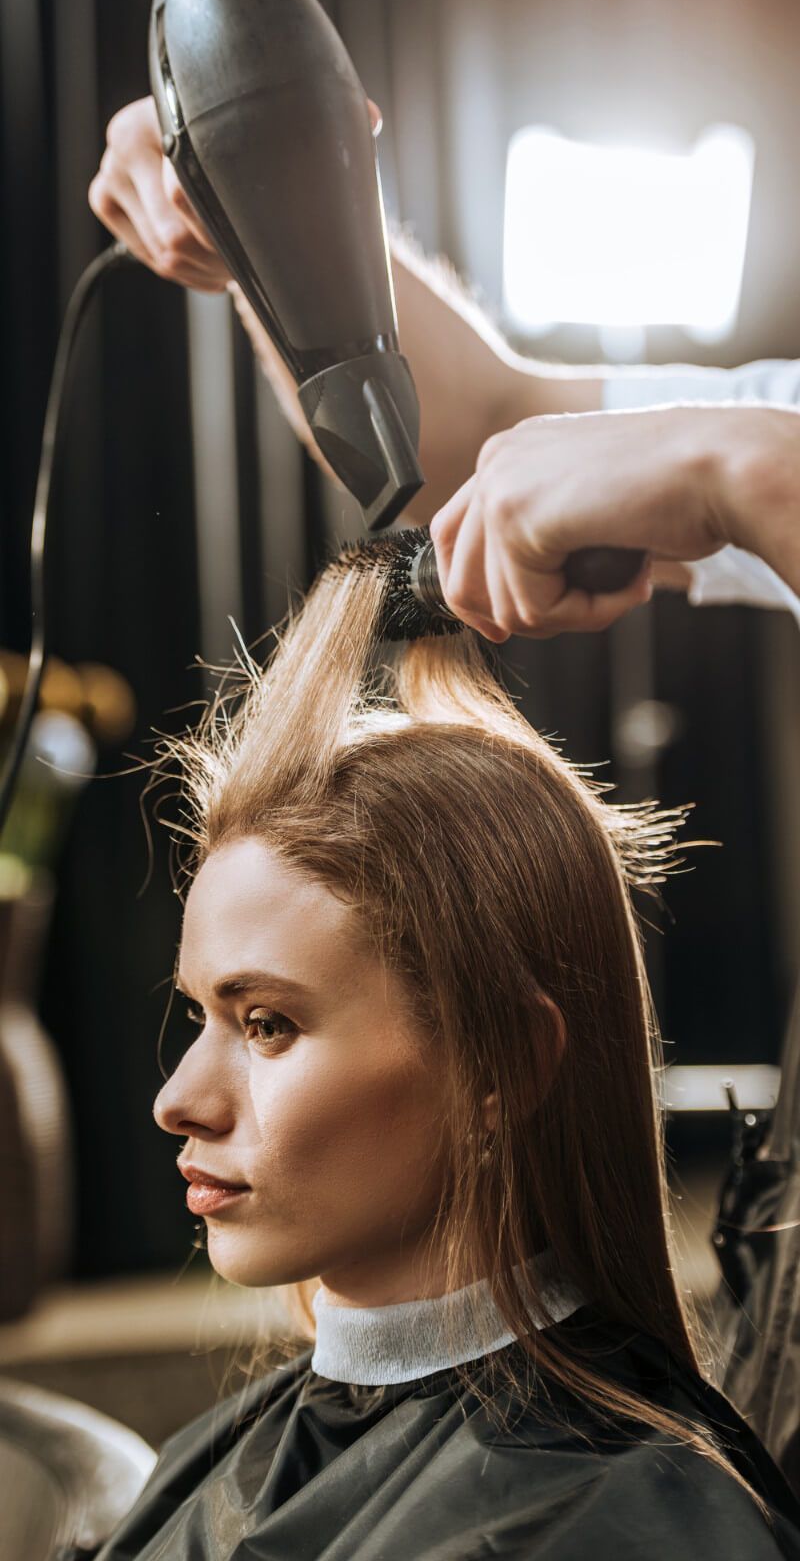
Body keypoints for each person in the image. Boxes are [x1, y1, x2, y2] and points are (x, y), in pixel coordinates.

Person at [71, 553, 800, 1559]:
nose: (177, 1099)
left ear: (503, 1060)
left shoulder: (611, 1521)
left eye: (268, 1023)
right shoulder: (214, 1460)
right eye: (198, 1012)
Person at [88, 97, 800, 643]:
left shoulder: (762, 445)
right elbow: (484, 431)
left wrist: (747, 470)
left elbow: (740, 466)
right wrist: (264, 208)